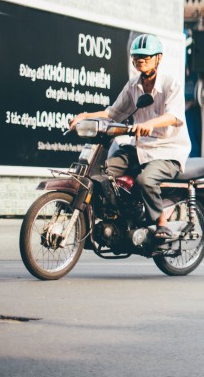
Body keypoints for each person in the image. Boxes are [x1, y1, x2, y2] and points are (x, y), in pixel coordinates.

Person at [69, 34, 190, 239]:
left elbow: (174, 116)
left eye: (146, 57)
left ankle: (162, 223)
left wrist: (149, 124)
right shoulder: (133, 85)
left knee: (145, 180)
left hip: (168, 150)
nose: (140, 61)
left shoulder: (171, 83)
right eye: (136, 57)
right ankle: (119, 216)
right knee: (101, 171)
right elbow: (113, 113)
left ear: (158, 58)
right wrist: (85, 116)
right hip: (140, 148)